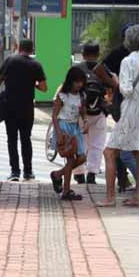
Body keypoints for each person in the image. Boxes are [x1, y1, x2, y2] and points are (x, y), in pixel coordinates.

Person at [99, 25, 139, 208]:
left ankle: (109, 198)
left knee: (109, 152)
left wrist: (115, 81)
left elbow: (126, 90)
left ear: (128, 41)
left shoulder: (127, 61)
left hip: (129, 114)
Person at [0, 38, 47, 182]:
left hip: (9, 106)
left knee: (11, 139)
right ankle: (28, 172)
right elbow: (44, 87)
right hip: (26, 109)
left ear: (19, 48)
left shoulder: (10, 60)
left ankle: (14, 172)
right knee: (26, 139)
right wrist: (32, 84)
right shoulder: (36, 64)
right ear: (32, 50)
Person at [50, 66, 88, 201]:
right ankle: (66, 191)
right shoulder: (62, 95)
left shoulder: (82, 95)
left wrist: (86, 121)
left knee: (82, 157)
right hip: (64, 127)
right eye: (76, 81)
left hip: (75, 128)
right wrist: (59, 133)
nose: (79, 84)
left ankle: (57, 174)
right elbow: (54, 115)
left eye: (81, 82)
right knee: (71, 159)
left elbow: (82, 110)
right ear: (70, 81)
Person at [73, 42, 107, 185]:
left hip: (80, 112)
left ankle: (79, 174)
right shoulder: (103, 69)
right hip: (99, 112)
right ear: (98, 54)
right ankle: (92, 173)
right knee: (97, 143)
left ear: (83, 54)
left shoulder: (76, 69)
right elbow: (111, 89)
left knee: (80, 142)